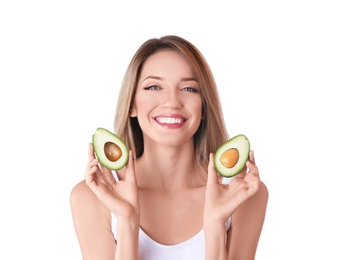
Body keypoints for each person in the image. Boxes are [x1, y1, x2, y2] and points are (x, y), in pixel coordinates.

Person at [70, 35, 268, 260]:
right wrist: (127, 221)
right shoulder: (93, 196)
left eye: (189, 89)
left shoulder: (242, 194)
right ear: (131, 104)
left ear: (203, 107)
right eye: (153, 86)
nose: (172, 101)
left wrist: (215, 223)